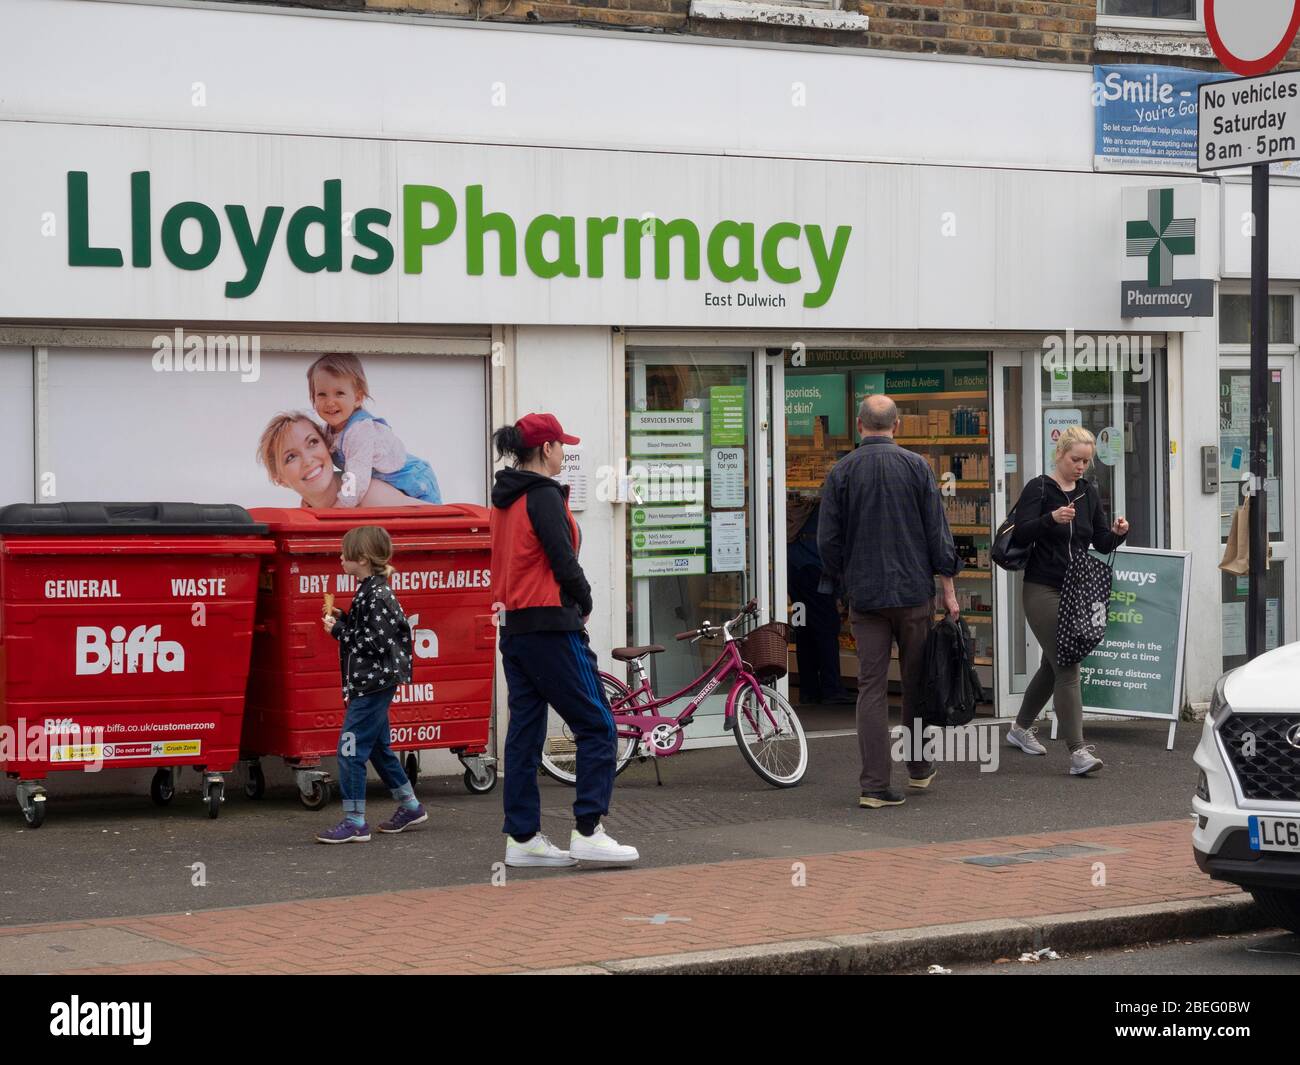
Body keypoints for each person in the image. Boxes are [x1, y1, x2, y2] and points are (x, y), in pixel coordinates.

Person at [490, 413, 639, 867]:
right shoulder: (543, 496)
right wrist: (585, 598)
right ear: (547, 448)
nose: (565, 454)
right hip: (552, 627)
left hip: (515, 627)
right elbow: (561, 558)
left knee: (524, 735)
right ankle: (589, 830)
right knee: (597, 726)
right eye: (562, 446)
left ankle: (523, 840)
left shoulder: (504, 498)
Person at [817, 394, 961, 809]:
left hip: (865, 595)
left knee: (871, 688)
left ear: (860, 425)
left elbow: (828, 541)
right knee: (915, 682)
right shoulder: (917, 467)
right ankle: (918, 767)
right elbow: (938, 535)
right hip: (914, 593)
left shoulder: (841, 472)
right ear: (896, 426)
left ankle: (875, 785)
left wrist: (843, 583)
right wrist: (948, 590)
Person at [1005, 426, 1129, 775]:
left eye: (1087, 461)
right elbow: (1020, 530)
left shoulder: (1089, 492)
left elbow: (1101, 541)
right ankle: (1078, 752)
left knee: (1051, 665)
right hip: (1042, 587)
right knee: (1068, 663)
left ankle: (1019, 728)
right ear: (1059, 454)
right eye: (1076, 459)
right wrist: (1051, 518)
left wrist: (1119, 533)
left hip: (1077, 588)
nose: (1081, 467)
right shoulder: (1039, 488)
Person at [316, 526, 427, 842]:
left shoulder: (376, 594)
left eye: (345, 554)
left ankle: (355, 822)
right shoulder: (371, 590)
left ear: (361, 559)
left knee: (349, 750)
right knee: (379, 748)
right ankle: (411, 805)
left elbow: (376, 642)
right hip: (373, 683)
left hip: (371, 685)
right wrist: (345, 617)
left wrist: (338, 631)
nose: (340, 558)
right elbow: (372, 630)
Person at [307, 354, 442, 506]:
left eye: (340, 393)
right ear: (313, 398)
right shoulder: (328, 431)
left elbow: (356, 477)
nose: (330, 402)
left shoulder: (359, 430)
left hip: (413, 480)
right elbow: (325, 467)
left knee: (430, 522)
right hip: (388, 485)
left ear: (357, 398)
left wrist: (341, 505)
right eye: (322, 394)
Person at [257, 412, 424, 508]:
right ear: (279, 479)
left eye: (313, 442)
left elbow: (440, 520)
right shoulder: (306, 511)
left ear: (328, 446)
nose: (308, 460)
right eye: (291, 457)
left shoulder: (371, 496)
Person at [787, 495, 854, 707]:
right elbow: (833, 549)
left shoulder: (813, 507)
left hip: (795, 570)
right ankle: (831, 689)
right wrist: (841, 592)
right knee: (827, 628)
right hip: (815, 571)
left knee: (804, 630)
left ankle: (809, 690)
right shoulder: (833, 509)